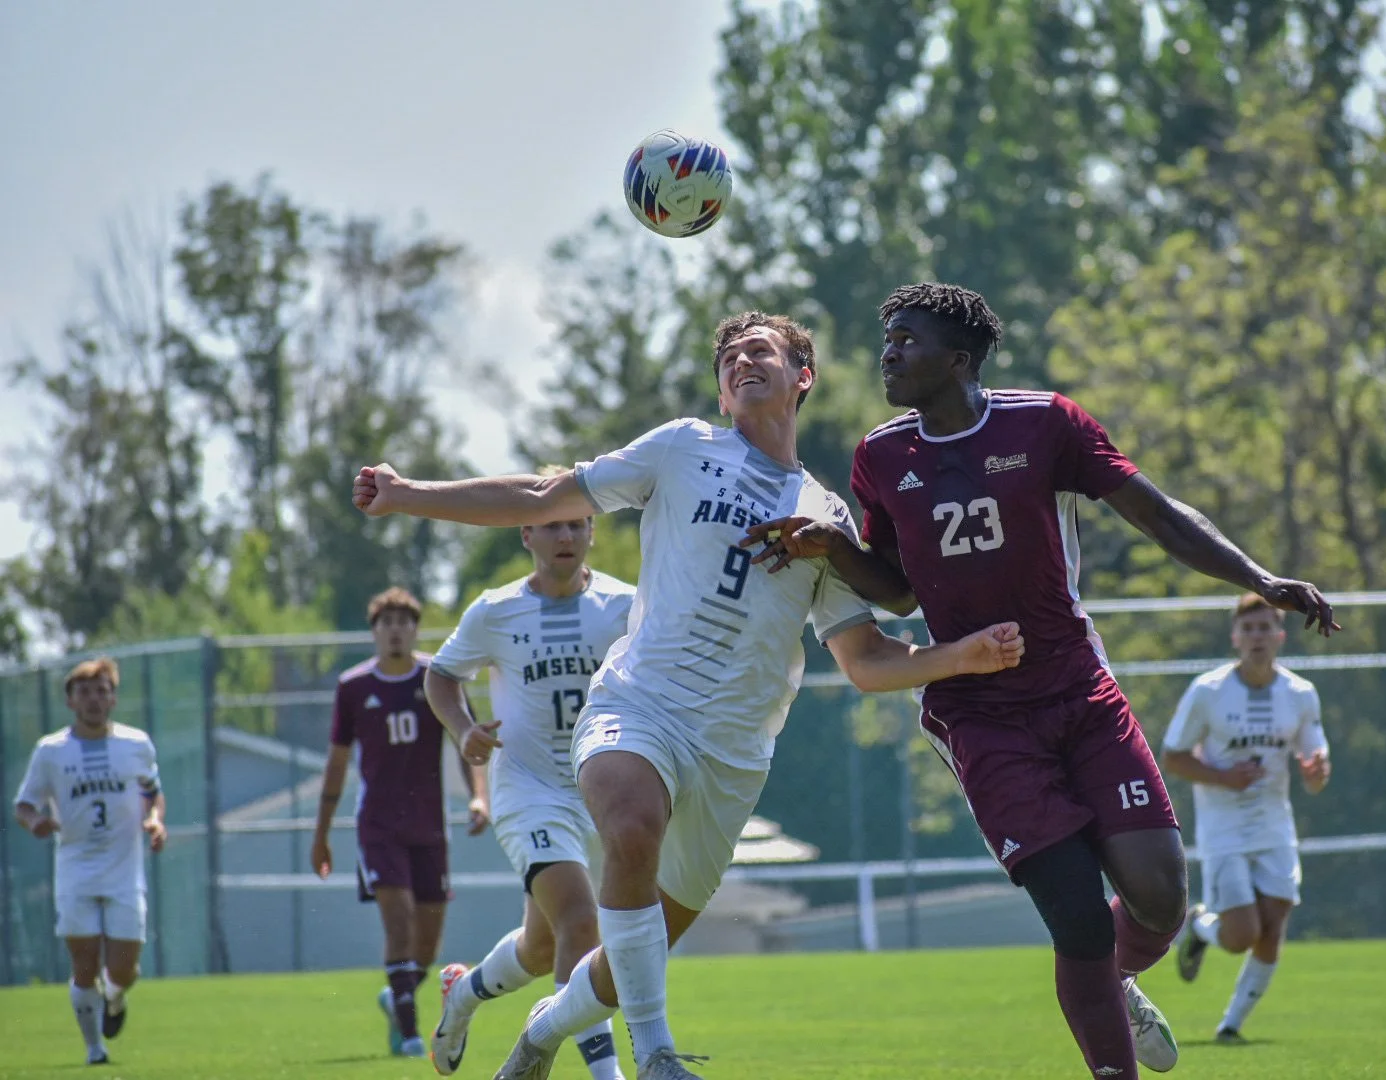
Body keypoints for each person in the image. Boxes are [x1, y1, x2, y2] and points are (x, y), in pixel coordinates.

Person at [352, 310, 1026, 1080]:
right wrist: (407, 494)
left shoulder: (826, 515)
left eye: (760, 350)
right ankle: (658, 1056)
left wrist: (961, 657)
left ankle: (542, 1033)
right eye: (730, 356)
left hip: (734, 753)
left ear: (802, 376)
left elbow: (866, 660)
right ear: (719, 393)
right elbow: (545, 492)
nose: (742, 359)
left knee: (621, 960)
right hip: (639, 705)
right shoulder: (680, 448)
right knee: (631, 826)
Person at [740, 282, 1338, 1080]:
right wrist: (832, 547)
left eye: (906, 340)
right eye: (887, 338)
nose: (888, 353)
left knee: (1159, 902)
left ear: (958, 358)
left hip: (1080, 693)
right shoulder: (881, 455)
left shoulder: (1045, 422)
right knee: (1080, 925)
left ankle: (1114, 981)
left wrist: (1261, 578)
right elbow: (898, 590)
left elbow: (1158, 513)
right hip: (981, 716)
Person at [425, 469, 635, 1080]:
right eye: (551, 525)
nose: (565, 534)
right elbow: (440, 676)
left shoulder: (626, 606)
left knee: (541, 949)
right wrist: (464, 729)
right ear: (526, 534)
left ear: (592, 530)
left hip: (600, 790)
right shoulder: (496, 611)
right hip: (528, 791)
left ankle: (462, 996)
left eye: (576, 522)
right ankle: (607, 1075)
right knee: (581, 921)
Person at [310, 586, 492, 1058]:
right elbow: (335, 763)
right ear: (373, 631)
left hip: (429, 825)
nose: (395, 630)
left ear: (415, 628)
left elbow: (466, 740)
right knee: (400, 919)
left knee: (427, 942)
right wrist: (321, 833)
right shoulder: (353, 687)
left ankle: (397, 996)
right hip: (378, 827)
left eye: (404, 622)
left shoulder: (438, 677)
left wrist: (478, 799)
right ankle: (411, 1035)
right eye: (386, 622)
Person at [1161, 592, 1330, 1042]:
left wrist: (1316, 771)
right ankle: (1199, 925)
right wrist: (1222, 776)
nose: (1257, 637)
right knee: (1240, 935)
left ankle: (1230, 1026)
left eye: (1264, 629)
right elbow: (1173, 757)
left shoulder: (1300, 694)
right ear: (1236, 637)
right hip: (1225, 830)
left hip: (1275, 825)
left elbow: (1316, 770)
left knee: (1273, 929)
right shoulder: (1209, 691)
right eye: (1248, 629)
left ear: (1280, 636)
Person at [13, 657, 167, 1067]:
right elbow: (23, 804)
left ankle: (114, 1000)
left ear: (114, 698)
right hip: (76, 867)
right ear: (70, 702)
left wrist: (154, 820)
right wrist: (36, 823)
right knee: (84, 963)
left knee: (124, 970)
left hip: (123, 869)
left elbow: (153, 791)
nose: (94, 700)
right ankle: (94, 1049)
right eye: (84, 692)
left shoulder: (136, 744)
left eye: (102, 691)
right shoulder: (51, 751)